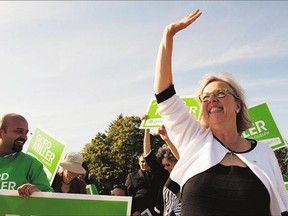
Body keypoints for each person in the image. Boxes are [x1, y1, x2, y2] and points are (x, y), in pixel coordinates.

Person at [153, 9, 288, 215]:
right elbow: (164, 94)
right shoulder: (194, 139)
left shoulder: (264, 153)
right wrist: (168, 35)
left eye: (221, 93)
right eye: (205, 97)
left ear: (237, 105)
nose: (212, 99)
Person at [0, 113, 53, 198]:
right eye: (19, 131)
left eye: (26, 133)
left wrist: (37, 191)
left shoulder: (32, 164)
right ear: (1, 132)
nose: (24, 137)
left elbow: (51, 197)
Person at [125, 151, 163, 216]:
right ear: (139, 163)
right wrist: (133, 210)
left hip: (157, 211)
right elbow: (127, 194)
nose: (145, 164)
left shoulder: (159, 174)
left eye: (147, 161)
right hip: (139, 212)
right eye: (142, 161)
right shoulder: (132, 176)